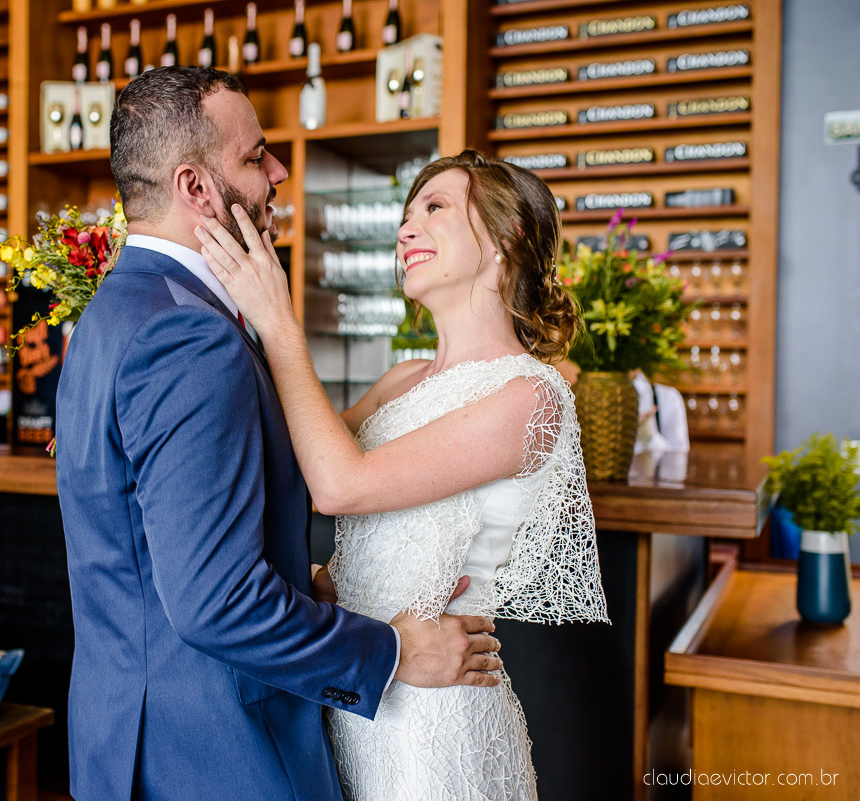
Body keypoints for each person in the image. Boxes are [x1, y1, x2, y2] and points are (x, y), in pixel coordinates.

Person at [53, 68, 505, 801]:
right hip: (213, 750)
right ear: (195, 188)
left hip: (130, 733)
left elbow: (156, 549)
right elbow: (215, 601)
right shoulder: (188, 336)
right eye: (255, 156)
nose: (278, 172)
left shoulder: (113, 312)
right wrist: (390, 652)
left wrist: (310, 576)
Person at [196, 150, 610, 799]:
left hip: (432, 720)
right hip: (357, 690)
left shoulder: (531, 395)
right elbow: (299, 467)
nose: (406, 228)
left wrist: (278, 322)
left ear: (509, 236)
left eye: (435, 207)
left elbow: (342, 484)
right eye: (407, 212)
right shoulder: (401, 379)